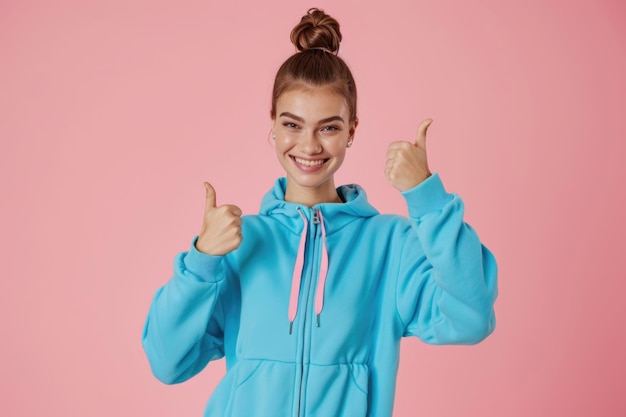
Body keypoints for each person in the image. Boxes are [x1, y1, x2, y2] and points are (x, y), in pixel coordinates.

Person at [142, 8, 498, 417]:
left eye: (328, 127)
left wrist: (427, 198)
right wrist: (202, 261)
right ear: (273, 125)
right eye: (293, 125)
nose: (309, 146)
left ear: (352, 130)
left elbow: (472, 317)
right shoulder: (239, 244)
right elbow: (166, 362)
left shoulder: (390, 245)